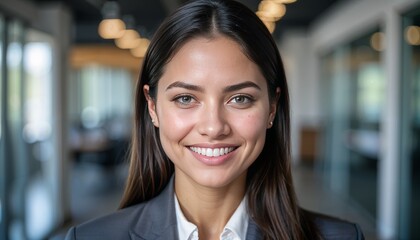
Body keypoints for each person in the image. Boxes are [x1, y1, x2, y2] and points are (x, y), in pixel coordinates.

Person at [65, 0, 365, 239]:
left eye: (240, 99)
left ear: (272, 108)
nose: (213, 127)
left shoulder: (340, 237)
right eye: (185, 99)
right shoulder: (89, 237)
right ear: (153, 108)